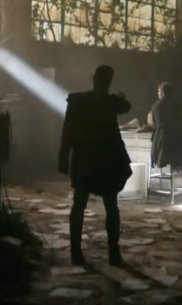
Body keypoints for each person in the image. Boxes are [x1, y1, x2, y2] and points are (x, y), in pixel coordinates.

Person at [58, 65, 132, 266]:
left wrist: (63, 158)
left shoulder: (77, 101)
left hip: (84, 160)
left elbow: (67, 131)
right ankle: (114, 254)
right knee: (111, 205)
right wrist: (122, 97)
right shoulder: (111, 102)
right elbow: (126, 106)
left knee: (79, 204)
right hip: (107, 161)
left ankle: (75, 252)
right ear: (109, 81)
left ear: (94, 78)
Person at [150, 82, 182, 203]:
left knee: (176, 162)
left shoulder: (156, 106)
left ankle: (179, 195)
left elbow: (154, 124)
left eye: (159, 92)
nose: (158, 94)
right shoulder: (177, 105)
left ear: (163, 93)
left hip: (161, 145)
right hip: (177, 143)